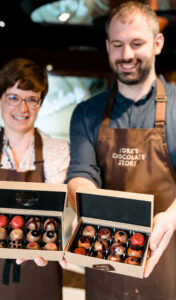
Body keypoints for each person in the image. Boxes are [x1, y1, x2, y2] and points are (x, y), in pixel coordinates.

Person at [66, 2, 176, 300]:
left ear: (158, 43)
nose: (126, 55)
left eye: (136, 43)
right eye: (118, 44)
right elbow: (81, 172)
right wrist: (84, 207)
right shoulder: (87, 113)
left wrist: (171, 217)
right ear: (107, 46)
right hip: (104, 256)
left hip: (168, 258)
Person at [0, 58, 69, 300]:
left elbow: (51, 208)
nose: (23, 108)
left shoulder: (56, 150)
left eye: (31, 99)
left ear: (41, 103)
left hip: (40, 263)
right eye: (13, 97)